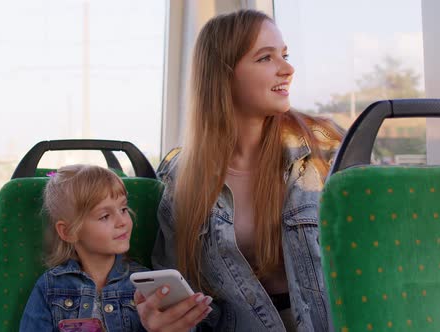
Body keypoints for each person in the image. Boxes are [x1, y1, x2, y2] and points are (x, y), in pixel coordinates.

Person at [138, 9, 343, 332]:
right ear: (223, 75)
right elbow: (180, 297)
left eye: (285, 55)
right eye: (265, 58)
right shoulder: (181, 178)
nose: (287, 69)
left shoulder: (325, 150)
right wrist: (163, 323)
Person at [20, 165, 212, 331]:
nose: (122, 221)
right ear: (69, 231)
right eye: (105, 216)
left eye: (123, 209)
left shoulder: (145, 287)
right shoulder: (50, 287)